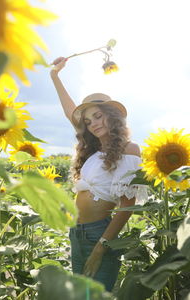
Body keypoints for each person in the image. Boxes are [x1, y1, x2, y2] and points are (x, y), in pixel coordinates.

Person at [50, 57, 146, 292]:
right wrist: (55, 76)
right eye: (88, 120)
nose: (93, 123)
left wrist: (101, 245)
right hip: (77, 233)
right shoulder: (94, 150)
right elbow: (69, 112)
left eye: (98, 116)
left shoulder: (129, 149)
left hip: (100, 234)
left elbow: (127, 204)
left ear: (112, 116)